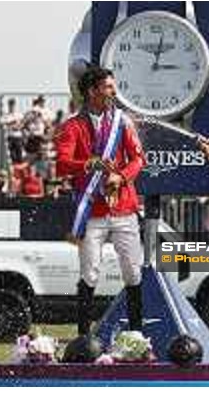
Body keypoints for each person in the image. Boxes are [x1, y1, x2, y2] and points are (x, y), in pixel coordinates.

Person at [55, 66, 146, 336]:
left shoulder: (123, 121)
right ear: (92, 91)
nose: (113, 92)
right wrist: (89, 164)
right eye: (107, 87)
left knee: (132, 271)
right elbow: (61, 164)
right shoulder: (72, 126)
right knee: (89, 272)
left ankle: (137, 336)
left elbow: (138, 159)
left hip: (124, 207)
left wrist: (121, 177)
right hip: (92, 211)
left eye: (112, 87)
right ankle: (83, 337)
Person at [0, 98, 25, 164]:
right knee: (12, 156)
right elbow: (1, 123)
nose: (11, 106)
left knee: (19, 155)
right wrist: (11, 124)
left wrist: (18, 126)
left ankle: (20, 170)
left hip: (18, 136)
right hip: (10, 136)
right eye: (10, 105)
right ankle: (15, 170)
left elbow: (23, 124)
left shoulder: (19, 114)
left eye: (13, 105)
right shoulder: (6, 115)